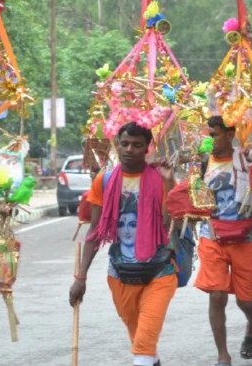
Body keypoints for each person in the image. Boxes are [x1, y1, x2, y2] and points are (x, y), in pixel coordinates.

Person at [69, 122, 176, 366]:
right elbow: (95, 232)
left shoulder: (161, 179)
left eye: (137, 145)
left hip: (159, 271)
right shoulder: (103, 181)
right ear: (117, 145)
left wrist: (169, 185)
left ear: (147, 148)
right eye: (125, 143)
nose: (129, 149)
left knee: (142, 348)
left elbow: (168, 226)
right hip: (120, 274)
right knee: (142, 342)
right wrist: (80, 277)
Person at [194, 116, 252, 366]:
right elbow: (193, 200)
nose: (210, 139)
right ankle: (223, 355)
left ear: (229, 135)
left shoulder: (248, 159)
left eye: (215, 134)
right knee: (217, 295)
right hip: (212, 237)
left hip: (245, 237)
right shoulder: (201, 163)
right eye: (208, 134)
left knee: (245, 300)